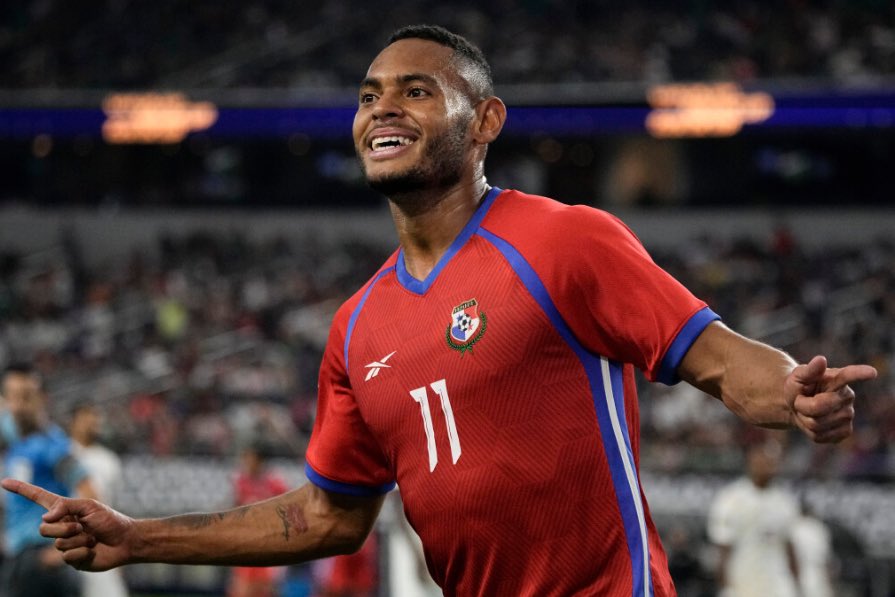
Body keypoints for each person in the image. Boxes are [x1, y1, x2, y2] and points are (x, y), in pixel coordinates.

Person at [1, 24, 878, 597]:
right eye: (369, 95)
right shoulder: (355, 328)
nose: (382, 106)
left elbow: (719, 358)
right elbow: (328, 515)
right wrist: (138, 536)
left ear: (485, 120)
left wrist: (790, 393)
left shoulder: (563, 241)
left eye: (417, 90)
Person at [0, 363, 98, 597]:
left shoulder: (53, 445)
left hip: (45, 560)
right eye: (12, 397)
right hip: (18, 557)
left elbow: (90, 492)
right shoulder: (14, 437)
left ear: (42, 399)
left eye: (26, 397)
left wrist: (62, 552)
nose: (18, 405)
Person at [707, 438, 801, 597]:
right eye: (762, 459)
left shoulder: (785, 502)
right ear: (751, 461)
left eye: (771, 461)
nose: (767, 465)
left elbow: (790, 549)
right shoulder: (731, 499)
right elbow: (723, 550)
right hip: (743, 582)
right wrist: (726, 587)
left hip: (778, 584)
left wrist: (798, 585)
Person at [68, 402, 130, 597]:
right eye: (86, 417)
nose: (92, 422)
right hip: (64, 538)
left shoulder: (108, 460)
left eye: (95, 418)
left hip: (99, 540)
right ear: (73, 421)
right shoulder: (61, 452)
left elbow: (116, 507)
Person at [227, 440, 289, 597]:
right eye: (245, 458)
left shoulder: (275, 484)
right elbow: (233, 511)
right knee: (241, 589)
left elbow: (286, 514)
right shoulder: (240, 482)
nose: (246, 462)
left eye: (250, 458)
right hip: (246, 545)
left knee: (267, 589)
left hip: (269, 546)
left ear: (260, 460)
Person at [790, 500, 836, 597]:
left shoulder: (794, 527)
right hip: (818, 572)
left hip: (803, 572)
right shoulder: (819, 527)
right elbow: (827, 560)